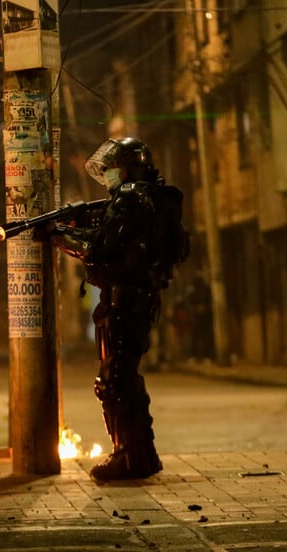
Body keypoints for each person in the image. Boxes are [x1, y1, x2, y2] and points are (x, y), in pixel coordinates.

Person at [39, 137, 189, 481]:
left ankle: (128, 456)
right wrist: (75, 223)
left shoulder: (132, 197)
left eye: (110, 169)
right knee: (123, 378)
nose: (105, 175)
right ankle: (141, 454)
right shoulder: (147, 198)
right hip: (132, 297)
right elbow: (111, 237)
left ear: (126, 168)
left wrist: (56, 235)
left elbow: (98, 248)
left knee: (114, 380)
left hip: (126, 299)